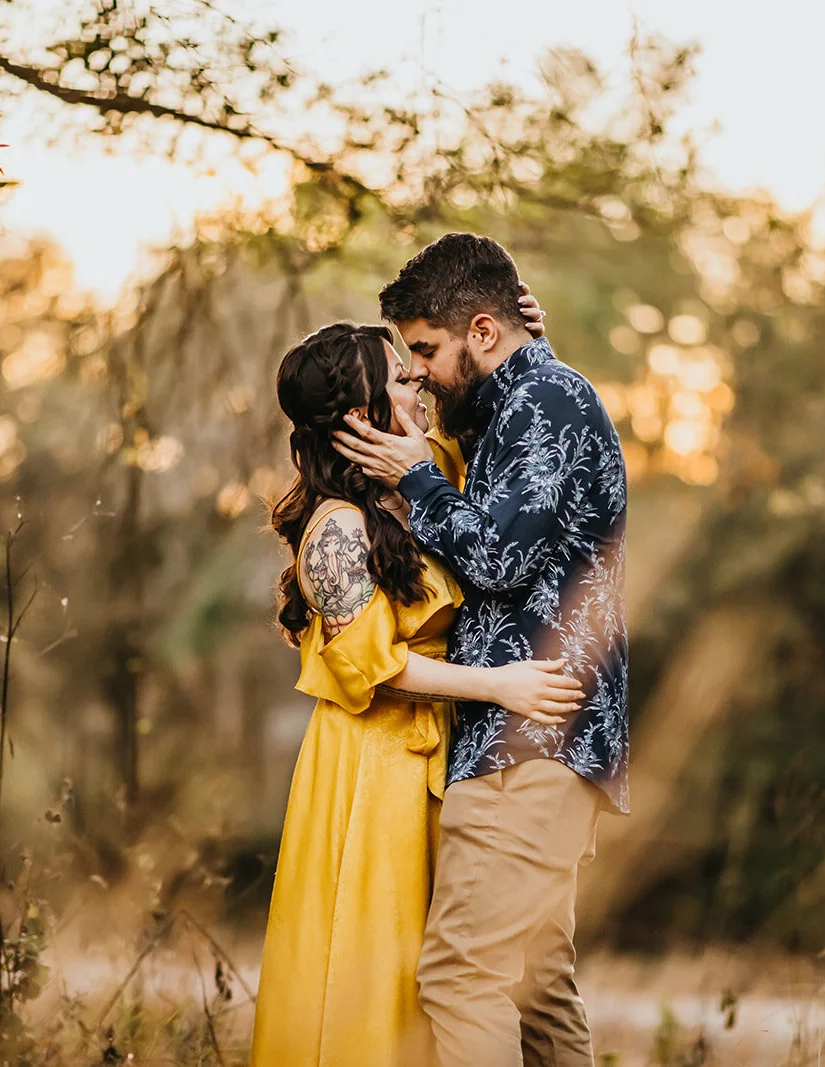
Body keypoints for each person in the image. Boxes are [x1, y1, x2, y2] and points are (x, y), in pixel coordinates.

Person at [249, 299, 573, 1067]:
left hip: (441, 757)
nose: (421, 383)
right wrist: (503, 686)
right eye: (402, 377)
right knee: (380, 975)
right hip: (372, 771)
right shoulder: (333, 529)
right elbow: (378, 667)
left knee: (463, 974)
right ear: (361, 410)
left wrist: (533, 341)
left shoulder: (430, 465)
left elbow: (519, 432)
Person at [335, 233, 629, 1067]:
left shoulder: (544, 404)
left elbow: (499, 555)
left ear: (487, 333)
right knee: (539, 993)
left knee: (460, 976)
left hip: (524, 748)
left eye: (427, 348)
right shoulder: (534, 402)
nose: (419, 370)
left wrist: (419, 475)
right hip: (544, 746)